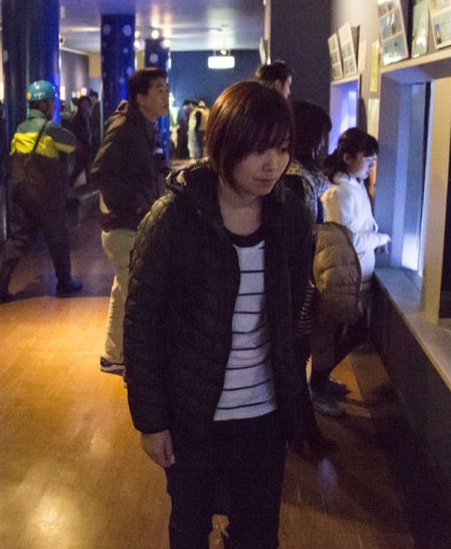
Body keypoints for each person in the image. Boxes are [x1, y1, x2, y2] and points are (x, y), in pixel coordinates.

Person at [124, 80, 311, 549]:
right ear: (222, 145)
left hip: (264, 416)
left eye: (283, 149)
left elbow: (290, 315)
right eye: (258, 149)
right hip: (194, 415)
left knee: (258, 533)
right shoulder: (173, 220)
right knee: (189, 528)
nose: (273, 164)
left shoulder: (289, 214)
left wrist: (293, 400)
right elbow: (142, 327)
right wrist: (151, 421)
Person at [90, 68, 168, 376]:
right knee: (134, 293)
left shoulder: (142, 126)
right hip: (123, 225)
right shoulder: (124, 128)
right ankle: (131, 359)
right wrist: (133, 204)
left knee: (123, 291)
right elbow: (100, 171)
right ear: (141, 97)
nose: (165, 95)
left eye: (166, 88)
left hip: (129, 223)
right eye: (159, 89)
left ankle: (114, 355)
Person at [280, 101, 345, 442]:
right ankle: (302, 432)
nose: (324, 144)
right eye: (322, 136)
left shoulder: (303, 177)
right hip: (296, 283)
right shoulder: (295, 180)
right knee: (294, 357)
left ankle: (302, 429)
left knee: (297, 355)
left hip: (300, 280)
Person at [317, 128, 389, 413]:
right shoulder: (339, 193)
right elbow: (348, 239)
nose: (371, 163)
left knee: (340, 332)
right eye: (367, 157)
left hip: (355, 275)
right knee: (338, 332)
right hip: (343, 277)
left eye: (373, 158)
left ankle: (319, 382)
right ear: (347, 157)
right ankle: (316, 386)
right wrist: (381, 239)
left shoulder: (354, 186)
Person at [0, 80, 83, 302]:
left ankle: (1, 284)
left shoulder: (20, 129)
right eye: (52, 103)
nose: (54, 107)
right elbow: (73, 146)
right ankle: (64, 282)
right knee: (58, 237)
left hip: (20, 192)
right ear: (43, 105)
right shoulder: (51, 129)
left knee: (18, 238)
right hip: (45, 194)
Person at [68, 95, 94, 187]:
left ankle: (88, 185)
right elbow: (74, 133)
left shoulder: (88, 118)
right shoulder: (78, 119)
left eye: (87, 104)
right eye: (83, 104)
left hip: (87, 146)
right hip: (82, 147)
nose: (85, 106)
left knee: (83, 167)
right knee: (80, 167)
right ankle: (70, 184)